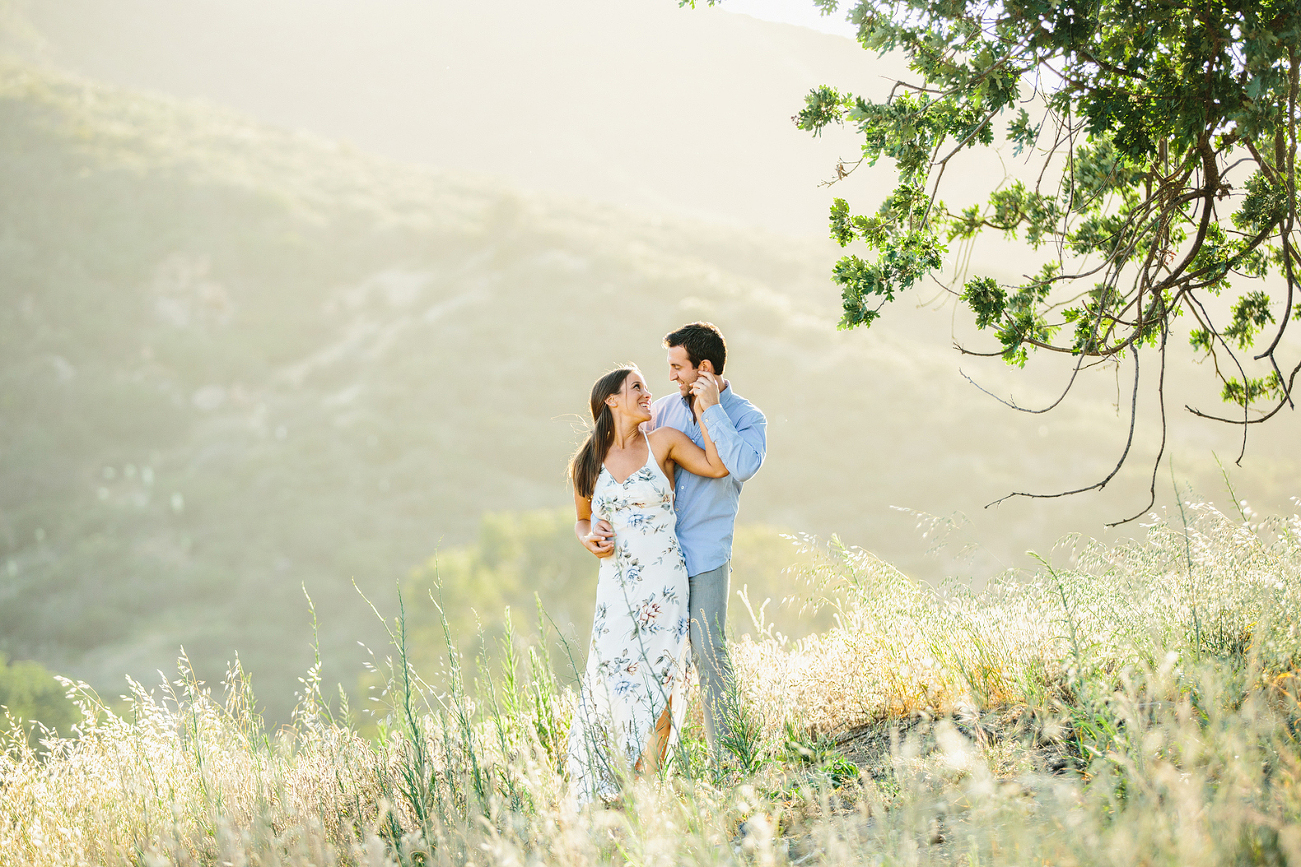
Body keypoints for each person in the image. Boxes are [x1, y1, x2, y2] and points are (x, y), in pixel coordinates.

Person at [588, 322, 767, 764]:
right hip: (653, 560)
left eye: (676, 366)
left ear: (703, 368)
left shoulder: (748, 417)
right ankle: (642, 771)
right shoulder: (663, 410)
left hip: (704, 554)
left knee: (708, 653)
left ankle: (729, 761)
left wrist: (712, 410)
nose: (669, 377)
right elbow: (616, 467)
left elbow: (738, 466)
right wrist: (593, 528)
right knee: (652, 665)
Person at [566, 364, 729, 806]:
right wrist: (590, 539)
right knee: (613, 677)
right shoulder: (586, 462)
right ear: (611, 401)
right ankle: (609, 782)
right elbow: (582, 520)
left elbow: (716, 466)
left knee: (662, 679)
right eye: (636, 387)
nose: (647, 393)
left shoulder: (665, 442)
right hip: (615, 588)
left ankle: (647, 787)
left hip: (665, 583)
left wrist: (708, 409)